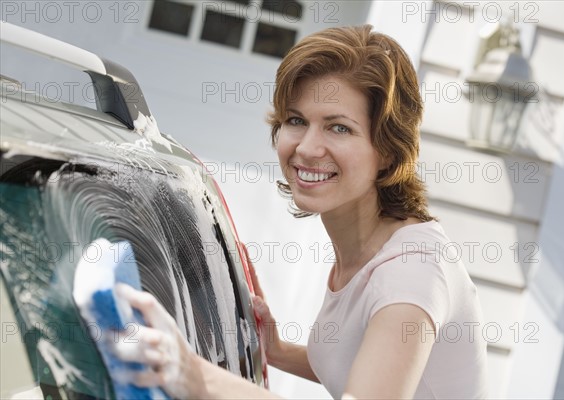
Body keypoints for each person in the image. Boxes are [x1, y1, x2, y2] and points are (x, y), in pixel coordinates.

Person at [110, 25, 488, 399]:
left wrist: (194, 376)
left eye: (339, 128)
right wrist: (278, 351)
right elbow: (368, 364)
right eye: (296, 121)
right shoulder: (366, 249)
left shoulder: (411, 273)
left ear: (387, 149)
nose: (307, 148)